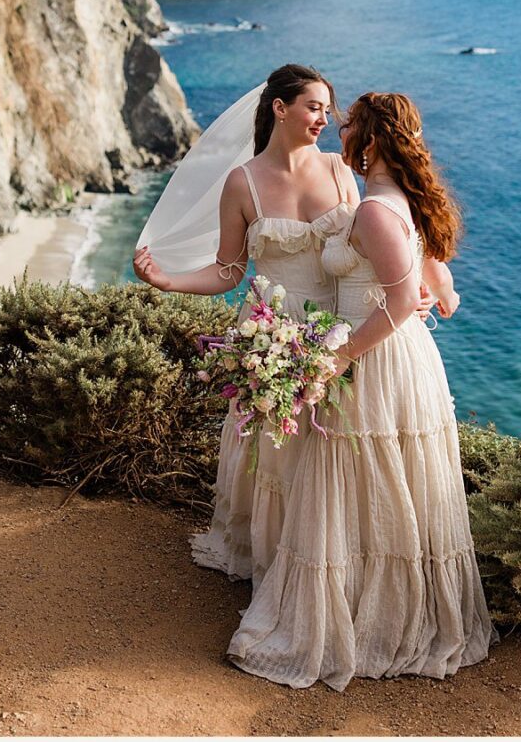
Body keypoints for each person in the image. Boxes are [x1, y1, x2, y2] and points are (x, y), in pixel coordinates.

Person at [223, 91, 497, 690]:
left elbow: (400, 301)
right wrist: (430, 298)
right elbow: (439, 294)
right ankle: (367, 604)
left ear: (369, 142)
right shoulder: (396, 203)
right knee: (380, 484)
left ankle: (361, 620)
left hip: (371, 360)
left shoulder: (376, 210)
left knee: (355, 477)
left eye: (349, 128)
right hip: (393, 354)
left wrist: (333, 358)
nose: (339, 135)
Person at [134, 64, 358, 583]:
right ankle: (275, 560)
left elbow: (366, 248)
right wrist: (169, 282)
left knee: (329, 445)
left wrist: (407, 287)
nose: (325, 118)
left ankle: (323, 562)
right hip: (267, 330)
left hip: (336, 332)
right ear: (280, 108)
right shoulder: (243, 182)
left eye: (328, 108)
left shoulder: (339, 171)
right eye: (314, 106)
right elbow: (229, 270)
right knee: (275, 447)